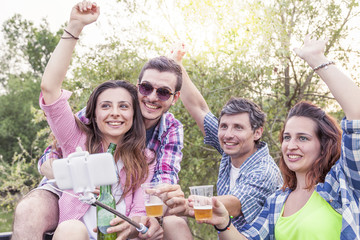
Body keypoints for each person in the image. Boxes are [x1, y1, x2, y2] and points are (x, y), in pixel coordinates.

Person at [12, 4, 188, 240]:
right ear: (92, 113)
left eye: (123, 106)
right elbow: (50, 90)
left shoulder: (145, 158)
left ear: (134, 114)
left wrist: (142, 220)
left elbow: (143, 204)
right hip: (77, 230)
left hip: (121, 234)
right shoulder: (77, 139)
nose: (115, 113)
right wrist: (75, 26)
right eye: (105, 106)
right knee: (69, 228)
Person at [195, 36, 360, 239]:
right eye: (287, 137)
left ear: (323, 145)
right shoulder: (277, 201)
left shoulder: (341, 185)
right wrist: (223, 223)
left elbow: (357, 116)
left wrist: (317, 59)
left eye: (303, 138)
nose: (291, 145)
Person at [156, 43, 283, 232]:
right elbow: (199, 108)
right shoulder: (231, 147)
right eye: (224, 126)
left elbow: (234, 203)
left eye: (238, 127)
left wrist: (186, 204)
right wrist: (177, 65)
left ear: (257, 132)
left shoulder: (263, 170)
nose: (228, 134)